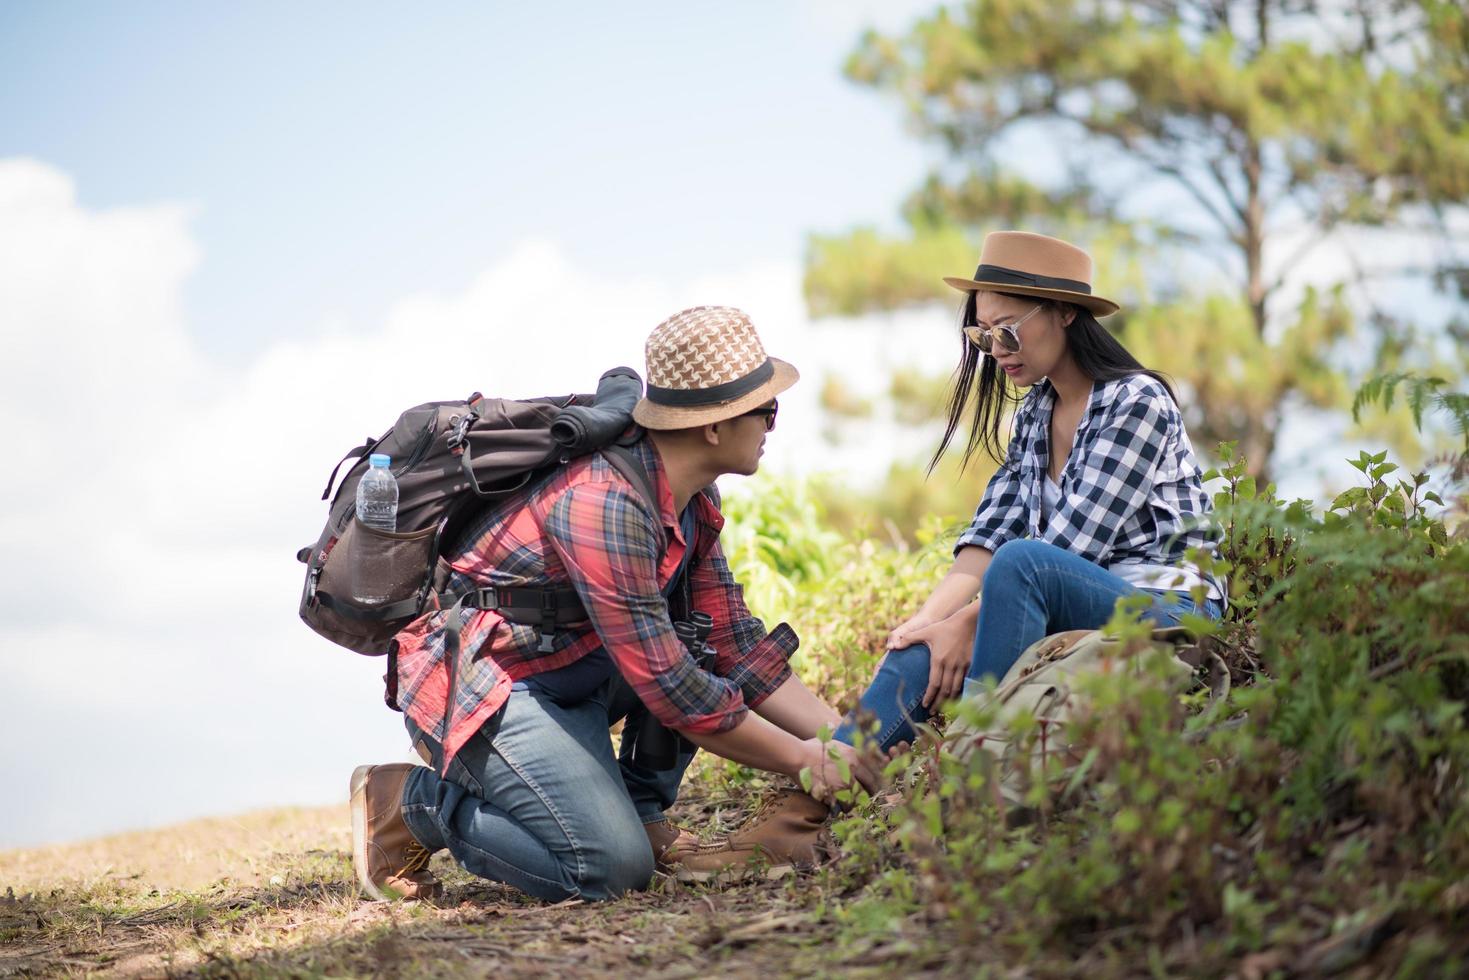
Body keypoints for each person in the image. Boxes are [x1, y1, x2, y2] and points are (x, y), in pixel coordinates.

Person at [349, 306, 877, 903]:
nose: (771, 428)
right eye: (768, 412)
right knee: (607, 869)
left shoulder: (691, 498)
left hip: (578, 669)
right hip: (491, 687)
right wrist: (804, 762)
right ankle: (411, 805)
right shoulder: (604, 503)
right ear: (714, 426)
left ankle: (640, 813)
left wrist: (840, 740)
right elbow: (672, 688)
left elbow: (732, 643)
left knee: (698, 636)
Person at [832, 229, 1227, 753]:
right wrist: (925, 625)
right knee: (922, 651)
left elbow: (1064, 551)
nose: (996, 351)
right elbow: (993, 530)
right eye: (983, 336)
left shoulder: (1137, 402)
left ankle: (972, 759)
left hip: (1168, 609)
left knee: (1021, 566)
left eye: (1008, 332)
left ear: (1064, 312)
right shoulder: (1035, 414)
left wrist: (966, 623)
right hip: (1081, 599)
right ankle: (818, 787)